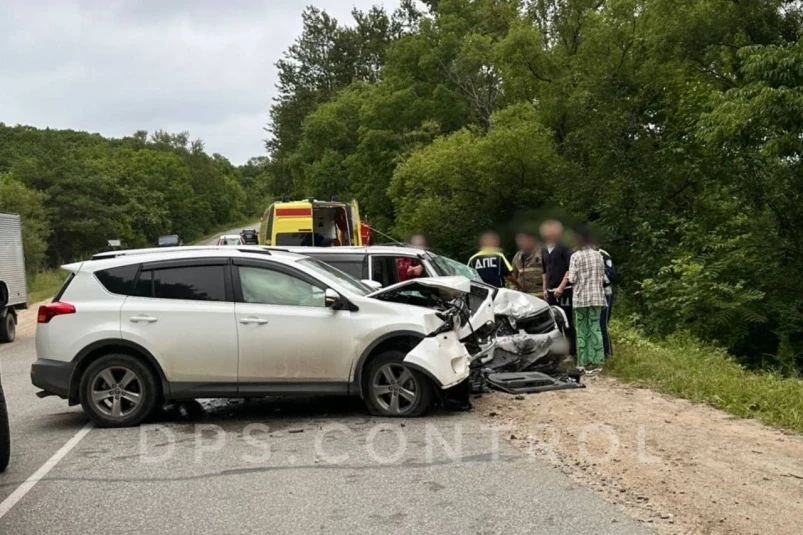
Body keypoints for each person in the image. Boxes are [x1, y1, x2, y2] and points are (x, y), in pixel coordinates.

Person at [554, 225, 607, 368]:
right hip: (597, 297)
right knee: (595, 328)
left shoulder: (575, 256)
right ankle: (597, 361)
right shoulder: (599, 255)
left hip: (580, 298)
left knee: (582, 330)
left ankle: (583, 362)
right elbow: (603, 276)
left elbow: (572, 279)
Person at [541, 220, 575, 353]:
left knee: (567, 321)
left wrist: (561, 287)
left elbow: (570, 268)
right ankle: (560, 352)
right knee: (554, 322)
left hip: (564, 290)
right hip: (550, 290)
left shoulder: (565, 247)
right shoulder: (544, 248)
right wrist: (544, 288)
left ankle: (572, 352)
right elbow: (544, 270)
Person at [595, 240, 616, 357]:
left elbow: (612, 275)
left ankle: (608, 352)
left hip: (605, 293)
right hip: (592, 294)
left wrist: (600, 279)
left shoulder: (603, 255)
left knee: (602, 323)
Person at [511, 230, 544, 295]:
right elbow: (514, 276)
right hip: (524, 295)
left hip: (540, 293)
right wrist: (513, 291)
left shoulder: (542, 253)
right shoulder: (517, 256)